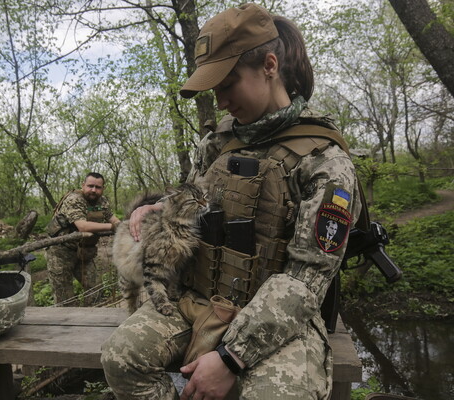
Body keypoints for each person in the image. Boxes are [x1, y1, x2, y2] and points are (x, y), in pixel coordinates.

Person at [101, 3, 362, 400]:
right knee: (121, 360)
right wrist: (155, 210)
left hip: (279, 317)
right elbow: (188, 206)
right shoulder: (216, 145)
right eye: (214, 89)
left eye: (228, 83)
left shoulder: (325, 161)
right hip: (199, 299)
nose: (220, 101)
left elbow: (306, 281)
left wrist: (230, 358)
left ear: (269, 65)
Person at [46, 172, 121, 306]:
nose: (93, 190)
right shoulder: (74, 199)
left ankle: (93, 320)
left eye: (98, 187)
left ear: (103, 188)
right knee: (65, 299)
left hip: (85, 251)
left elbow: (113, 218)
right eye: (90, 186)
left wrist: (123, 226)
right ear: (83, 185)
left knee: (96, 291)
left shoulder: (102, 201)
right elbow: (82, 226)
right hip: (60, 252)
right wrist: (112, 226)